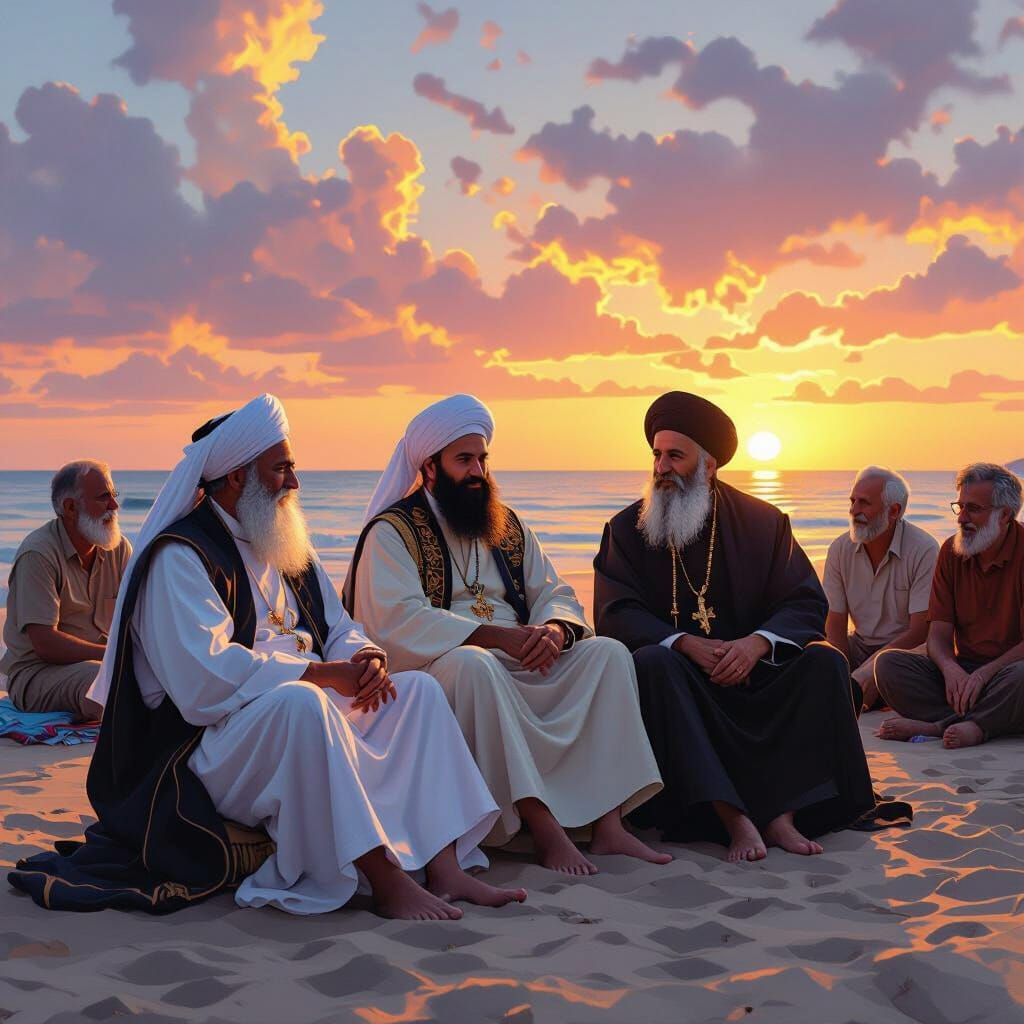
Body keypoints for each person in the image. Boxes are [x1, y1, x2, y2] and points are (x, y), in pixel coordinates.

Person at [10, 394, 524, 919]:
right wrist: (323, 674)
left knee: (416, 693)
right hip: (208, 747)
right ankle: (384, 880)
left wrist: (366, 659)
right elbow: (204, 681)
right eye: (281, 469)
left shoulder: (282, 538)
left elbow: (339, 627)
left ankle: (445, 868)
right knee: (302, 705)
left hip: (292, 716)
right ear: (237, 477)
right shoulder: (180, 557)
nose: (295, 483)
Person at [345, 394, 666, 877]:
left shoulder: (506, 525)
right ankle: (541, 827)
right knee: (475, 666)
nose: (477, 471)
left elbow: (553, 591)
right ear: (429, 468)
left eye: (482, 458)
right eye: (463, 460)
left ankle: (609, 824)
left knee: (607, 654)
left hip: (521, 652)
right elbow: (395, 620)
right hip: (447, 662)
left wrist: (555, 631)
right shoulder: (392, 532)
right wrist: (495, 637)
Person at [593, 392, 880, 863]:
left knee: (826, 661)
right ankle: (733, 817)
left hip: (756, 675)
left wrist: (756, 644)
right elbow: (614, 610)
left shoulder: (763, 522)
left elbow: (805, 600)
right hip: (684, 682)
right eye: (657, 455)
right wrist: (684, 643)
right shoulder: (627, 529)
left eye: (675, 456)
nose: (661, 467)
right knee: (653, 662)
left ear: (708, 467)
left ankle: (784, 815)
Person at [875, 463, 1024, 749]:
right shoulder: (951, 552)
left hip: (1010, 671)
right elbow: (938, 636)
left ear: (1005, 515)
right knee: (889, 665)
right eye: (960, 507)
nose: (962, 518)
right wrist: (950, 668)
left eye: (974, 509)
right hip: (965, 672)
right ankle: (983, 719)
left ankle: (945, 726)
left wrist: (985, 674)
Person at [1, 461, 130, 720]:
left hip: (102, 664)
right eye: (103, 498)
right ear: (71, 508)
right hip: (37, 673)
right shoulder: (38, 554)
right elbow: (46, 644)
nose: (114, 506)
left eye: (113, 496)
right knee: (103, 684)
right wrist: (116, 655)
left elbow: (140, 616)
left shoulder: (118, 549)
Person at [823, 466, 938, 711]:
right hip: (860, 647)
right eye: (852, 501)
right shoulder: (839, 549)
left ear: (894, 511)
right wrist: (841, 675)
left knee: (890, 666)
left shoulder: (924, 549)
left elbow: (920, 632)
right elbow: (835, 624)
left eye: (864, 503)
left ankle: (876, 690)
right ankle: (858, 692)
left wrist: (870, 670)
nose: (854, 510)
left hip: (908, 653)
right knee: (807, 651)